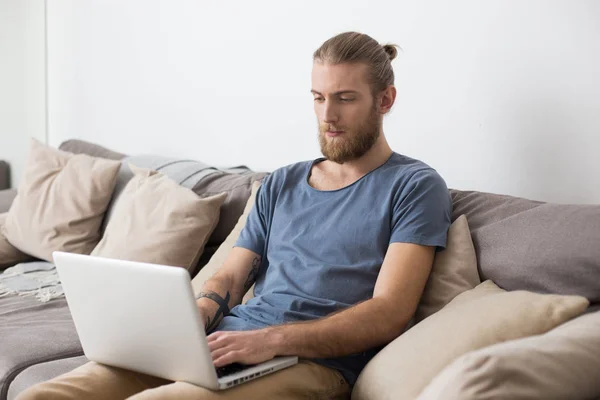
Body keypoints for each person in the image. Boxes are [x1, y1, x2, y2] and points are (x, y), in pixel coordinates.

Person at [18, 31, 452, 400]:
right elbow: (230, 277)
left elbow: (390, 311)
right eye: (318, 98)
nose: (327, 116)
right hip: (226, 342)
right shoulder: (282, 183)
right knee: (49, 393)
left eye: (345, 99)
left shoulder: (413, 186)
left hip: (314, 363)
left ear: (386, 100)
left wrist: (272, 340)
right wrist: (201, 312)